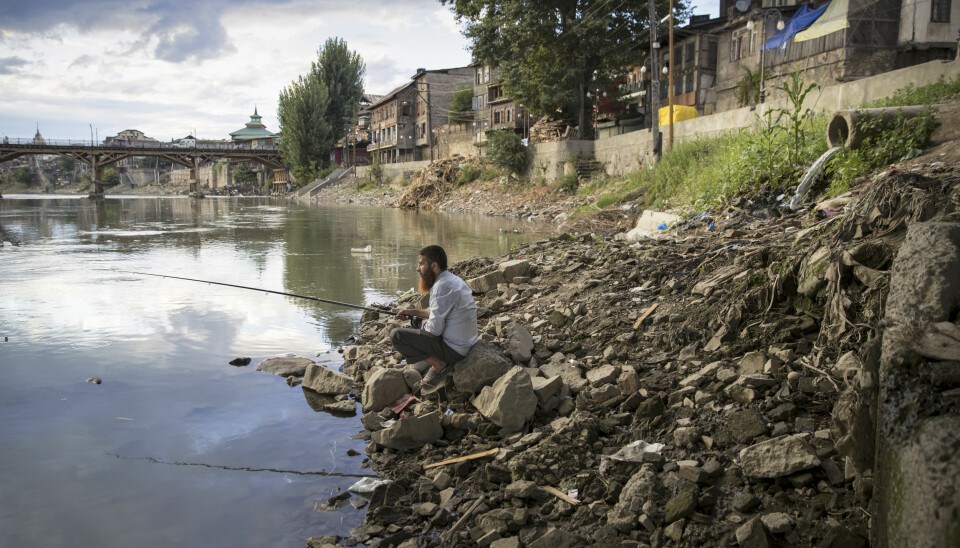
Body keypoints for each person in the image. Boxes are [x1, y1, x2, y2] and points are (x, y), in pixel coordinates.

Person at [391, 245, 478, 386]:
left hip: (454, 351)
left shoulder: (441, 287)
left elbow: (434, 330)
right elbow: (437, 312)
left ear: (434, 265)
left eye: (421, 264)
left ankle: (437, 364)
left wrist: (422, 323)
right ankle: (427, 356)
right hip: (467, 343)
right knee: (415, 322)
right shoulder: (453, 280)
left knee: (397, 335)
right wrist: (412, 313)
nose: (418, 268)